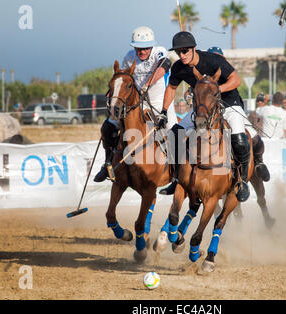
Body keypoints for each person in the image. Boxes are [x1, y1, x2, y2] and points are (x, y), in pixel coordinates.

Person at [157, 31, 258, 202]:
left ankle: (242, 180)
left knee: (240, 139)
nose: (182, 55)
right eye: (178, 52)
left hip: (229, 103)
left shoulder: (213, 60)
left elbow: (236, 80)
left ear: (194, 49)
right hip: (203, 108)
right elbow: (172, 88)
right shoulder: (178, 67)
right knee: (175, 134)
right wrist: (164, 111)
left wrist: (217, 90)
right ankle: (176, 179)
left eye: (185, 51)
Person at [94, 26, 178, 182]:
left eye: (146, 48)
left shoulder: (159, 51)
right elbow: (123, 77)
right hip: (137, 102)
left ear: (151, 46)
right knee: (108, 126)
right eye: (139, 48)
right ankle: (107, 164)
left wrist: (148, 84)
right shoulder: (129, 56)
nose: (142, 52)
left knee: (173, 130)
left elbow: (164, 66)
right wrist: (113, 91)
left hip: (161, 101)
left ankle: (176, 174)